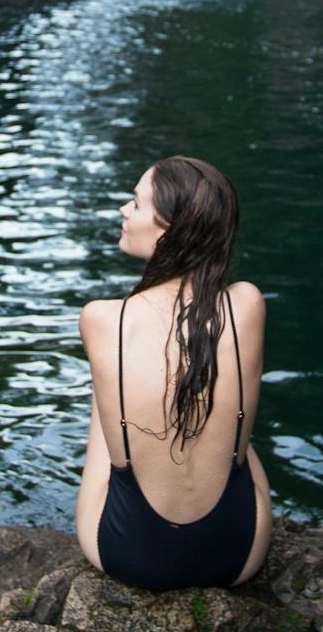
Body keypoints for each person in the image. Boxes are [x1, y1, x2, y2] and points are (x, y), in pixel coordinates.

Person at [74, 156, 273, 589]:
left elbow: (114, 450)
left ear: (168, 230)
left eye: (136, 203)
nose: (124, 211)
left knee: (107, 399)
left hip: (127, 554)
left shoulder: (103, 319)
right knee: (233, 424)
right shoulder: (247, 304)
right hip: (238, 556)